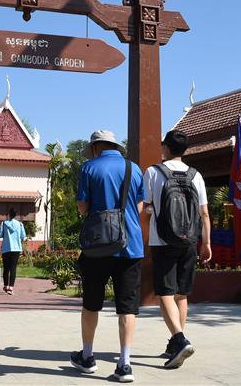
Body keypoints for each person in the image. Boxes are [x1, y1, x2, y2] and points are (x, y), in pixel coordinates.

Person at [70, 130, 145, 383]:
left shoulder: (89, 168)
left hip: (97, 247)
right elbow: (141, 206)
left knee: (91, 304)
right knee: (127, 308)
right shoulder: (133, 168)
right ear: (115, 146)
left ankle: (88, 357)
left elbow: (82, 206)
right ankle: (124, 364)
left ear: (95, 147)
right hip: (130, 246)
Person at [143, 129, 211, 370]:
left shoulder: (154, 172)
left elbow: (147, 206)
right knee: (181, 293)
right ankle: (175, 343)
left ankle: (180, 339)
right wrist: (207, 243)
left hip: (163, 241)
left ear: (166, 148)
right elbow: (204, 213)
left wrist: (152, 212)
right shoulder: (196, 175)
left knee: (164, 292)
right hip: (190, 241)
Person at [0, 207, 26, 294]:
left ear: (9, 214)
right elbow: (23, 236)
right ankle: (11, 288)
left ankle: (6, 286)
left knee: (6, 268)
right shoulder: (20, 224)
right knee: (13, 268)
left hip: (6, 248)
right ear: (15, 215)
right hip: (16, 248)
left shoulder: (4, 223)